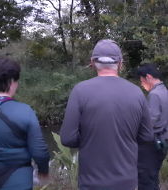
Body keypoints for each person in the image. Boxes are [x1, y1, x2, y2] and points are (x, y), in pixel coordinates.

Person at [60, 39, 153, 190]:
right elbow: (147, 137)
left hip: (91, 183)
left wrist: (90, 137)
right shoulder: (136, 93)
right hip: (126, 183)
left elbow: (67, 138)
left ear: (92, 62)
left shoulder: (80, 91)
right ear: (120, 64)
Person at [0, 57, 50, 190]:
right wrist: (43, 171)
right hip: (16, 180)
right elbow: (40, 152)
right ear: (11, 81)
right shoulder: (25, 111)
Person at [137, 64, 168, 190]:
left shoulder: (154, 95)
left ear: (148, 77)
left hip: (152, 143)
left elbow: (150, 122)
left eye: (141, 80)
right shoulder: (165, 91)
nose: (141, 84)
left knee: (145, 180)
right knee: (152, 177)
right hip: (163, 142)